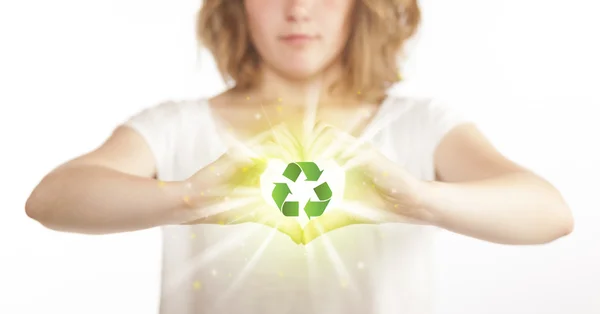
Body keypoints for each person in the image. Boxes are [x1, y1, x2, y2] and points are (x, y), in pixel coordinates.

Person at [25, 0, 574, 313]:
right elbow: (52, 199)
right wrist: (189, 197)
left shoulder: (419, 123)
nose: (298, 10)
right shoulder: (177, 125)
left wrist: (421, 200)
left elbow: (549, 213)